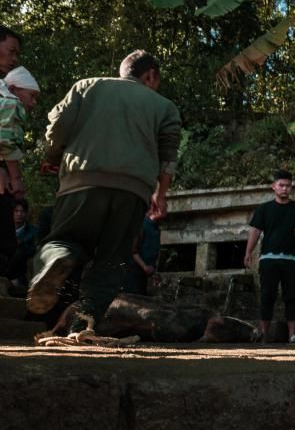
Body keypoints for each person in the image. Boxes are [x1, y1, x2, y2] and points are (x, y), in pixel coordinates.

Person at [27, 50, 181, 336]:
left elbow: (58, 126)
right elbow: (168, 155)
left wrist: (52, 155)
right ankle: (82, 326)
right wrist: (161, 194)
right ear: (150, 76)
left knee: (63, 239)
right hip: (133, 191)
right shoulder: (165, 106)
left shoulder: (88, 86)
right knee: (112, 260)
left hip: (81, 181)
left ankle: (59, 256)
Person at [244, 169, 295, 343]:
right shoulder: (264, 209)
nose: (284, 189)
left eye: (288, 186)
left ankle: (292, 335)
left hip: (292, 259)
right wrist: (248, 252)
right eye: (281, 185)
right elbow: (255, 231)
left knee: (292, 296)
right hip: (268, 259)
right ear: (273, 186)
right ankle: (263, 334)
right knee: (267, 295)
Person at [0, 66, 38, 272]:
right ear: (14, 89)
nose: (33, 103)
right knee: (6, 242)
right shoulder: (11, 102)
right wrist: (15, 179)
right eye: (31, 96)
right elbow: (5, 143)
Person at [123, 211, 163, 295]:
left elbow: (155, 253)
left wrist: (153, 272)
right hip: (134, 273)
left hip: (145, 276)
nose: (166, 207)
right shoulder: (140, 225)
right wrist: (144, 267)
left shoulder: (156, 229)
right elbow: (133, 251)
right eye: (164, 205)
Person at [2, 198, 38, 288]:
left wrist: (21, 243)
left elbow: (34, 250)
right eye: (16, 211)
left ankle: (4, 277)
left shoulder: (33, 231)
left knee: (19, 252)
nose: (19, 214)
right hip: (4, 262)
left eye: (22, 211)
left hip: (20, 267)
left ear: (26, 213)